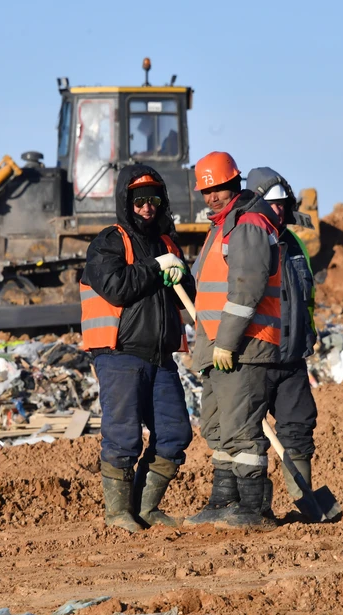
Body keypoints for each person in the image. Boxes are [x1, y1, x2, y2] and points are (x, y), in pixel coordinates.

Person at [80, 164, 196, 533]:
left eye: (154, 200)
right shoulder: (109, 241)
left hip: (160, 358)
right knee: (123, 436)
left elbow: (187, 297)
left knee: (175, 433)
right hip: (120, 354)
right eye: (140, 200)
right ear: (126, 202)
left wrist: (181, 273)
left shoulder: (168, 243)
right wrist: (155, 267)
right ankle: (117, 514)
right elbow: (117, 286)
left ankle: (145, 509)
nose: (148, 207)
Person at [185, 151, 284, 531]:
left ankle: (253, 508)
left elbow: (247, 289)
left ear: (235, 184)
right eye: (206, 191)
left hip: (244, 346)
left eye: (220, 188)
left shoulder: (248, 225)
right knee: (218, 427)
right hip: (217, 347)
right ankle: (223, 500)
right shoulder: (221, 228)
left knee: (241, 429)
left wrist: (226, 341)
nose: (212, 196)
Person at [246, 167, 320, 520]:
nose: (279, 211)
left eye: (282, 205)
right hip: (257, 358)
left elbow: (307, 296)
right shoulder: (248, 241)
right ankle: (256, 508)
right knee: (249, 438)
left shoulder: (294, 243)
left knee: (298, 426)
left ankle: (304, 501)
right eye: (272, 205)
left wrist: (310, 331)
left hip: (291, 357)